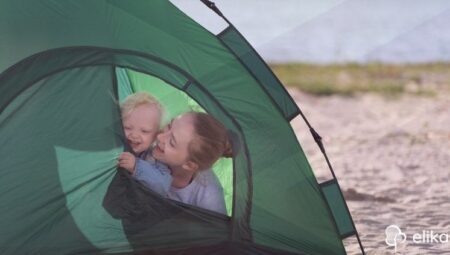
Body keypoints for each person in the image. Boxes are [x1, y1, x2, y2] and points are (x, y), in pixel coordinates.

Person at [152, 112, 231, 215]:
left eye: (171, 142)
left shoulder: (209, 202)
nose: (160, 137)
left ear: (189, 165)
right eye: (169, 126)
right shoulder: (153, 149)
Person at [117, 92, 172, 196]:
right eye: (128, 127)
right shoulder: (115, 145)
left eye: (145, 131)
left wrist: (136, 166)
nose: (134, 135)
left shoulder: (155, 157)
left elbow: (163, 185)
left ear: (156, 134)